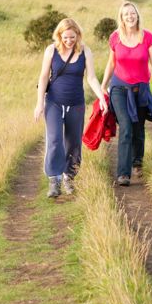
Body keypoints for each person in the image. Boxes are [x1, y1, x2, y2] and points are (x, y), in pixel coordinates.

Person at [34, 18, 108, 197]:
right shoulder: (51, 51)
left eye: (72, 37)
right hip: (54, 103)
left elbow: (91, 78)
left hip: (76, 104)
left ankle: (69, 177)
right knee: (54, 140)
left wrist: (102, 98)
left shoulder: (85, 51)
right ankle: (54, 180)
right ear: (59, 35)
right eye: (65, 37)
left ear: (78, 35)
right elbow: (44, 77)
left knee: (74, 143)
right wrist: (39, 104)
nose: (69, 41)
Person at [101, 1, 152, 186]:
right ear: (121, 17)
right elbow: (111, 63)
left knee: (138, 128)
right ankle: (123, 173)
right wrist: (104, 85)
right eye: (126, 14)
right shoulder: (115, 37)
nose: (130, 16)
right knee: (126, 127)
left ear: (137, 15)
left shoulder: (147, 37)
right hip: (119, 89)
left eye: (132, 13)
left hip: (141, 89)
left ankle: (137, 161)